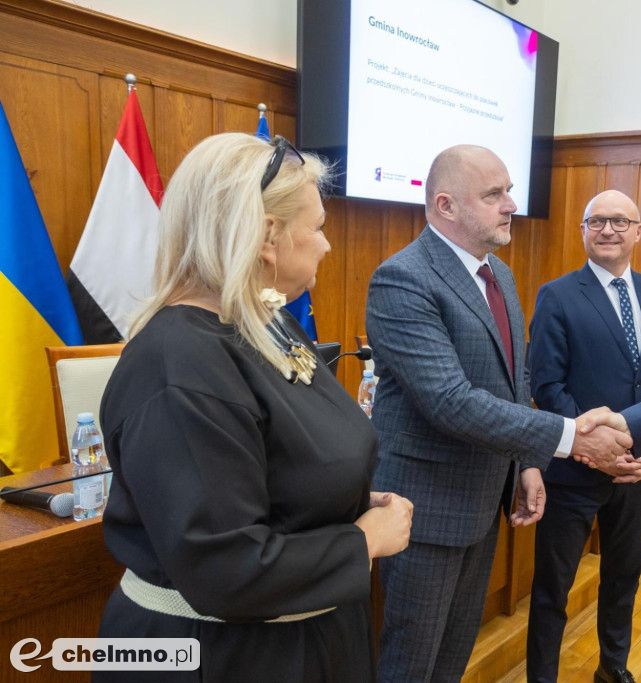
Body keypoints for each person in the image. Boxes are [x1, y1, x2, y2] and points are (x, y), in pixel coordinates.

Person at [96, 133, 413, 683]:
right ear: (268, 237)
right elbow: (225, 566)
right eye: (317, 228)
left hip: (305, 641)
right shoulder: (177, 363)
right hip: (220, 656)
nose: (326, 246)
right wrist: (365, 540)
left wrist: (337, 501)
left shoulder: (270, 324)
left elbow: (279, 460)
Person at [365, 145, 636, 682]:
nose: (511, 204)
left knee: (452, 657)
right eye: (494, 194)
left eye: (509, 190)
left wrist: (528, 463)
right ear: (445, 205)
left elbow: (517, 382)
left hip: (485, 502)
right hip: (423, 511)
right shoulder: (403, 278)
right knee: (411, 664)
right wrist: (571, 437)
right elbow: (450, 401)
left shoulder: (500, 275)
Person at [526, 190, 641, 683]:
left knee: (624, 579)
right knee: (552, 589)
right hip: (572, 474)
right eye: (596, 221)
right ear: (583, 231)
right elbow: (547, 385)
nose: (607, 230)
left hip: (637, 473)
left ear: (639, 232)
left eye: (620, 221)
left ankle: (613, 668)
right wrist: (591, 448)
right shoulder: (557, 295)